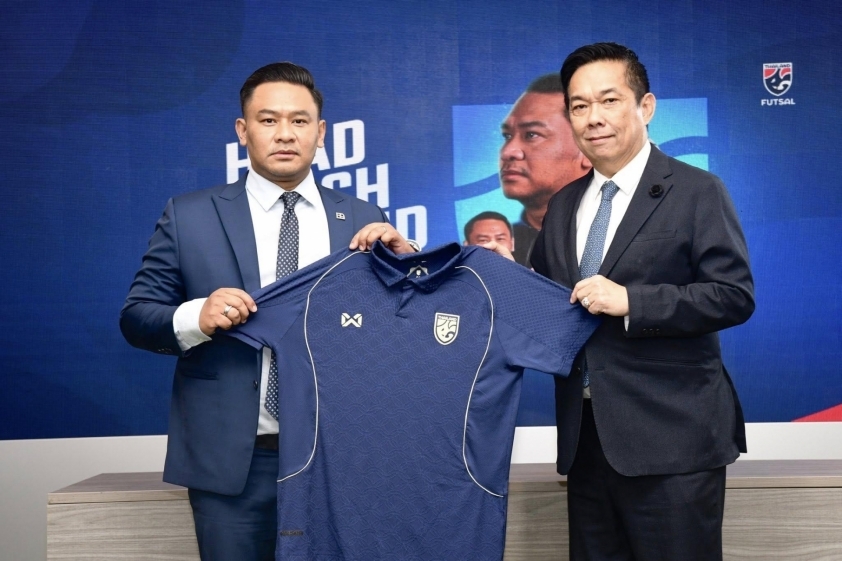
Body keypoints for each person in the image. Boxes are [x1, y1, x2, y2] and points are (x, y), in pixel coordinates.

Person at [120, 62, 414, 561]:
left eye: (299, 121)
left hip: (340, 459)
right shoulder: (189, 215)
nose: (285, 134)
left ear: (321, 133)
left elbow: (398, 332)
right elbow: (136, 317)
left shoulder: (365, 219)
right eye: (268, 119)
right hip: (234, 465)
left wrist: (410, 272)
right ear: (243, 130)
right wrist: (196, 317)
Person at [528, 43, 755, 560]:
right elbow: (541, 299)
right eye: (579, 106)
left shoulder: (697, 191)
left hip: (673, 442)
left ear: (645, 106)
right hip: (586, 444)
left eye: (609, 100)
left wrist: (632, 301)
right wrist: (457, 270)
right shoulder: (563, 204)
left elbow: (733, 295)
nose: (593, 117)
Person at [500, 73, 592, 265]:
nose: (508, 152)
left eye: (531, 135)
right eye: (507, 136)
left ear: (588, 149)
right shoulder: (496, 247)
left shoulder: (621, 235)